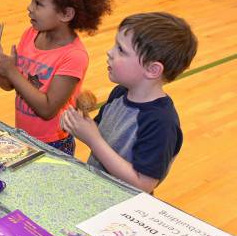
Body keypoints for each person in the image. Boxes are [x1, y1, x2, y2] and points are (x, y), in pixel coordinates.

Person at [0, 0, 112, 155]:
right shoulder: (31, 34)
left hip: (54, 145)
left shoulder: (73, 57)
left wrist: (11, 71)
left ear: (66, 13)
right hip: (23, 136)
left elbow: (47, 109)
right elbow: (12, 85)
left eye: (38, 3)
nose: (29, 8)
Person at [61, 13, 197, 193]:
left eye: (121, 50)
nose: (110, 52)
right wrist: (78, 124)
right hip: (98, 192)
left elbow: (143, 184)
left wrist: (93, 140)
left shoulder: (161, 123)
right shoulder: (120, 93)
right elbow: (101, 133)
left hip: (123, 210)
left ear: (152, 69)